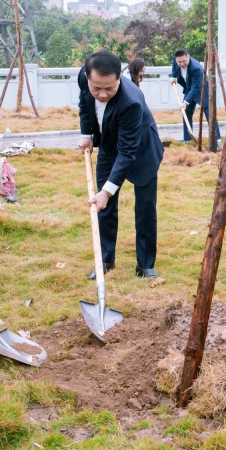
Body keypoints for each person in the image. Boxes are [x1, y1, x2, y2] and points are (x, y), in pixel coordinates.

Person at [78, 50, 165, 279]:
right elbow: (84, 103)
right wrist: (86, 133)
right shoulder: (84, 78)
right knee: (103, 205)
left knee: (145, 208)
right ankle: (105, 260)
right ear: (88, 77)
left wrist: (108, 190)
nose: (103, 94)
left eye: (110, 88)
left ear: (119, 78)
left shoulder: (131, 101)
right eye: (97, 88)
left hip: (142, 150)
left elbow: (127, 152)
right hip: (108, 145)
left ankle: (145, 265)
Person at [170, 48, 220, 143]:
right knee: (186, 112)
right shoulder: (177, 61)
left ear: (188, 57)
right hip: (189, 87)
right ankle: (187, 140)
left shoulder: (196, 68)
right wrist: (173, 77)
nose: (182, 64)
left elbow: (195, 87)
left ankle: (217, 140)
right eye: (179, 62)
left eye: (184, 61)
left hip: (202, 89)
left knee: (209, 114)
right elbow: (174, 66)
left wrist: (185, 102)